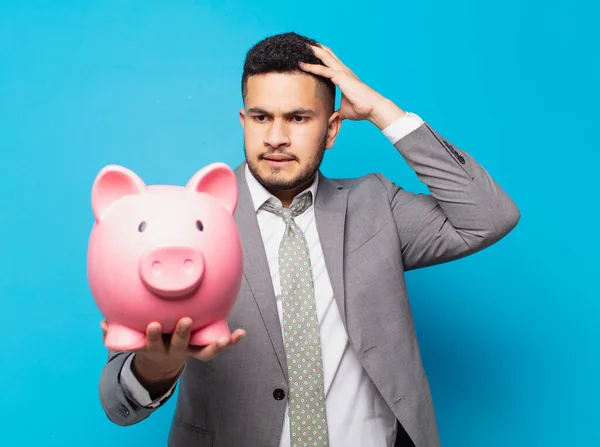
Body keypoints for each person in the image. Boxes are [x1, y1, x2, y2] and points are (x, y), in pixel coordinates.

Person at [98, 32, 520, 447]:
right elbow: (119, 404)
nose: (276, 137)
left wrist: (382, 112)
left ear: (332, 129)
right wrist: (157, 366)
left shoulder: (376, 206)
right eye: (261, 117)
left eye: (298, 118)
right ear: (244, 122)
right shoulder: (188, 221)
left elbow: (490, 216)